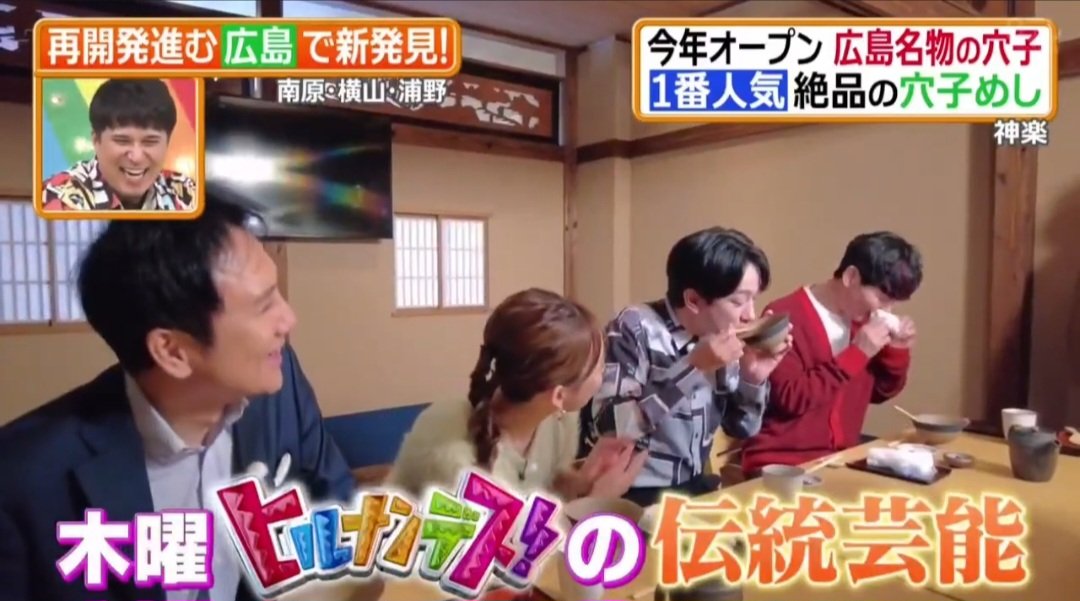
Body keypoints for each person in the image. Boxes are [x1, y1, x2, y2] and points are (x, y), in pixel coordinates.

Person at [0, 199, 353, 601]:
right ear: (172, 352)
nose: (289, 319)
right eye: (264, 305)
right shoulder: (21, 481)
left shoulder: (278, 387)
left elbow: (334, 507)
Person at [583, 227, 791, 507]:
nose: (750, 314)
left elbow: (742, 429)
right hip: (635, 492)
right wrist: (693, 368)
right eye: (738, 301)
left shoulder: (722, 334)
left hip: (695, 485)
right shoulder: (636, 327)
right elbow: (611, 428)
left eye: (753, 298)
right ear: (693, 300)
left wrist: (753, 379)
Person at [387, 288, 646, 501]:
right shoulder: (456, 460)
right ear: (559, 395)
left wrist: (584, 480)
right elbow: (514, 544)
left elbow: (542, 487)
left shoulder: (558, 420)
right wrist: (598, 500)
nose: (604, 373)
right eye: (599, 367)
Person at [739, 231, 923, 477]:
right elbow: (789, 399)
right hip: (782, 463)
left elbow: (880, 392)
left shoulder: (863, 321)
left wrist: (896, 351)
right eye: (881, 298)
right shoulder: (785, 315)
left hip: (840, 460)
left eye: (894, 303)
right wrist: (858, 352)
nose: (886, 310)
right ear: (851, 276)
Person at [42, 78, 196, 212]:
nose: (136, 157)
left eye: (150, 142)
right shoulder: (58, 198)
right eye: (122, 141)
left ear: (167, 143)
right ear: (96, 141)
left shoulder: (186, 191)